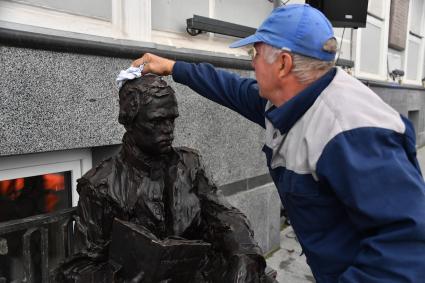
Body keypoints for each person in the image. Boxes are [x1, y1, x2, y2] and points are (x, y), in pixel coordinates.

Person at [132, 4, 425, 283]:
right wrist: (172, 67)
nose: (252, 62)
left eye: (255, 53)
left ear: (283, 63)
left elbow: (406, 248)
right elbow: (229, 87)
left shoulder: (351, 134)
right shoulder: (287, 99)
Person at [54, 74, 270, 282]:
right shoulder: (101, 184)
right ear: (129, 121)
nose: (169, 130)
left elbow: (224, 215)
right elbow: (79, 267)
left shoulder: (190, 164)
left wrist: (245, 254)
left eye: (171, 120)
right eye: (157, 121)